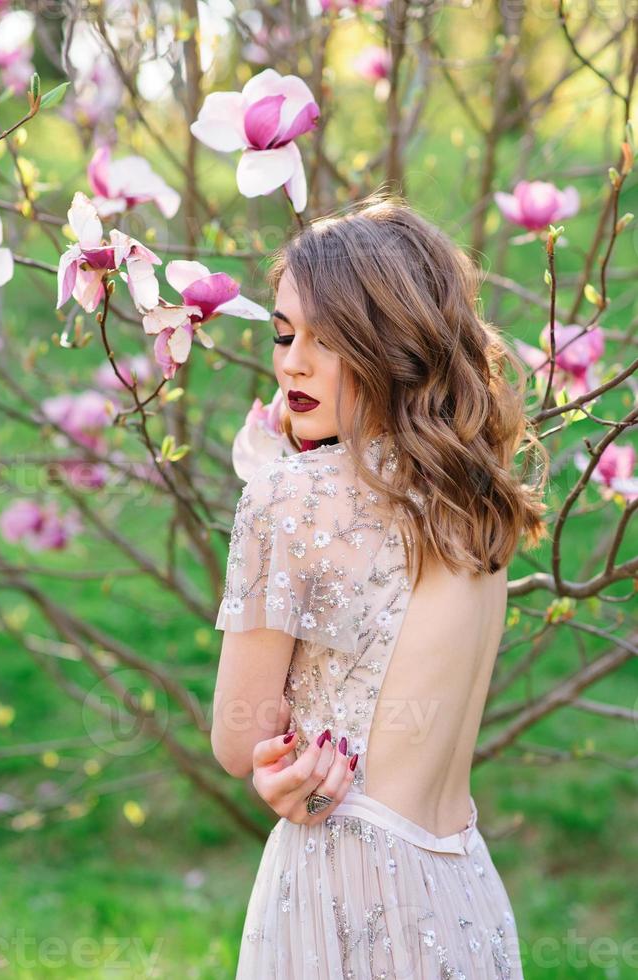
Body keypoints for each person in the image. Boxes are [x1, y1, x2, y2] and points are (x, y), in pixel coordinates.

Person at [213, 192, 549, 978]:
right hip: (460, 888)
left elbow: (240, 739)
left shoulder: (285, 503)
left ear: (394, 348)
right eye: (284, 332)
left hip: (342, 885)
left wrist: (271, 498)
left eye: (330, 341)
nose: (293, 361)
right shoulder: (478, 497)